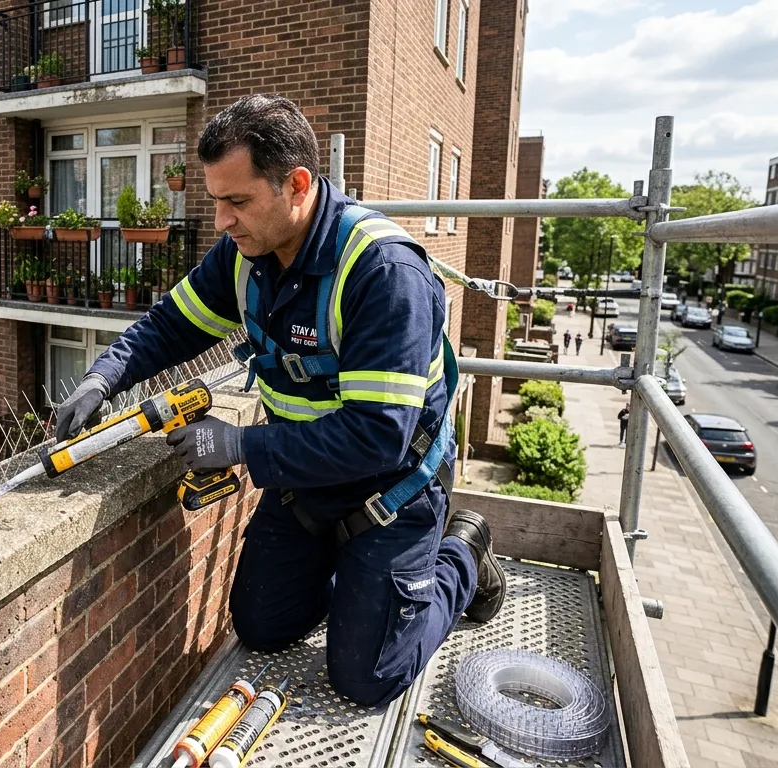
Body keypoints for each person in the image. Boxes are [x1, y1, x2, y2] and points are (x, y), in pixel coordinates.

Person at [54, 95, 505, 708]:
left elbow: (378, 436)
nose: (221, 220)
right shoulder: (248, 254)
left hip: (393, 488)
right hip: (305, 483)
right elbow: (171, 327)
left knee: (365, 678)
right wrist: (103, 376)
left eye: (237, 201)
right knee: (263, 628)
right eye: (216, 200)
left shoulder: (382, 273)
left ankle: (459, 557)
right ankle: (364, 585)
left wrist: (239, 444)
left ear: (295, 185)